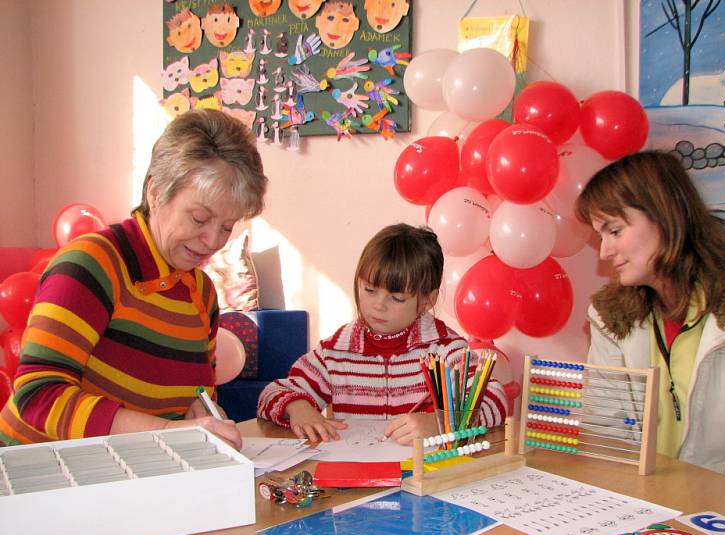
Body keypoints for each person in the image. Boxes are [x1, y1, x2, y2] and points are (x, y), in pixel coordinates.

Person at [0, 109, 268, 450]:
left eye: (227, 226)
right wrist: (167, 433)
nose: (214, 240)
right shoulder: (92, 264)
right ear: (156, 193)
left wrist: (197, 417)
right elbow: (38, 396)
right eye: (200, 218)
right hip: (34, 477)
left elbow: (195, 396)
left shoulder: (199, 291)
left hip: (125, 473)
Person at [576, 150, 725, 498]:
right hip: (649, 521)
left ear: (665, 216)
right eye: (600, 235)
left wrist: (706, 525)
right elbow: (605, 436)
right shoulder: (611, 319)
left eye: (614, 231)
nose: (604, 252)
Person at [257, 223, 507, 445]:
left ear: (427, 300)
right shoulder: (336, 352)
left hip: (426, 479)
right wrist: (297, 407)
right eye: (369, 289)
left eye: (397, 298)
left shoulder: (445, 349)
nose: (378, 305)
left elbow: (495, 401)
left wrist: (439, 424)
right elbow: (271, 394)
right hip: (357, 479)